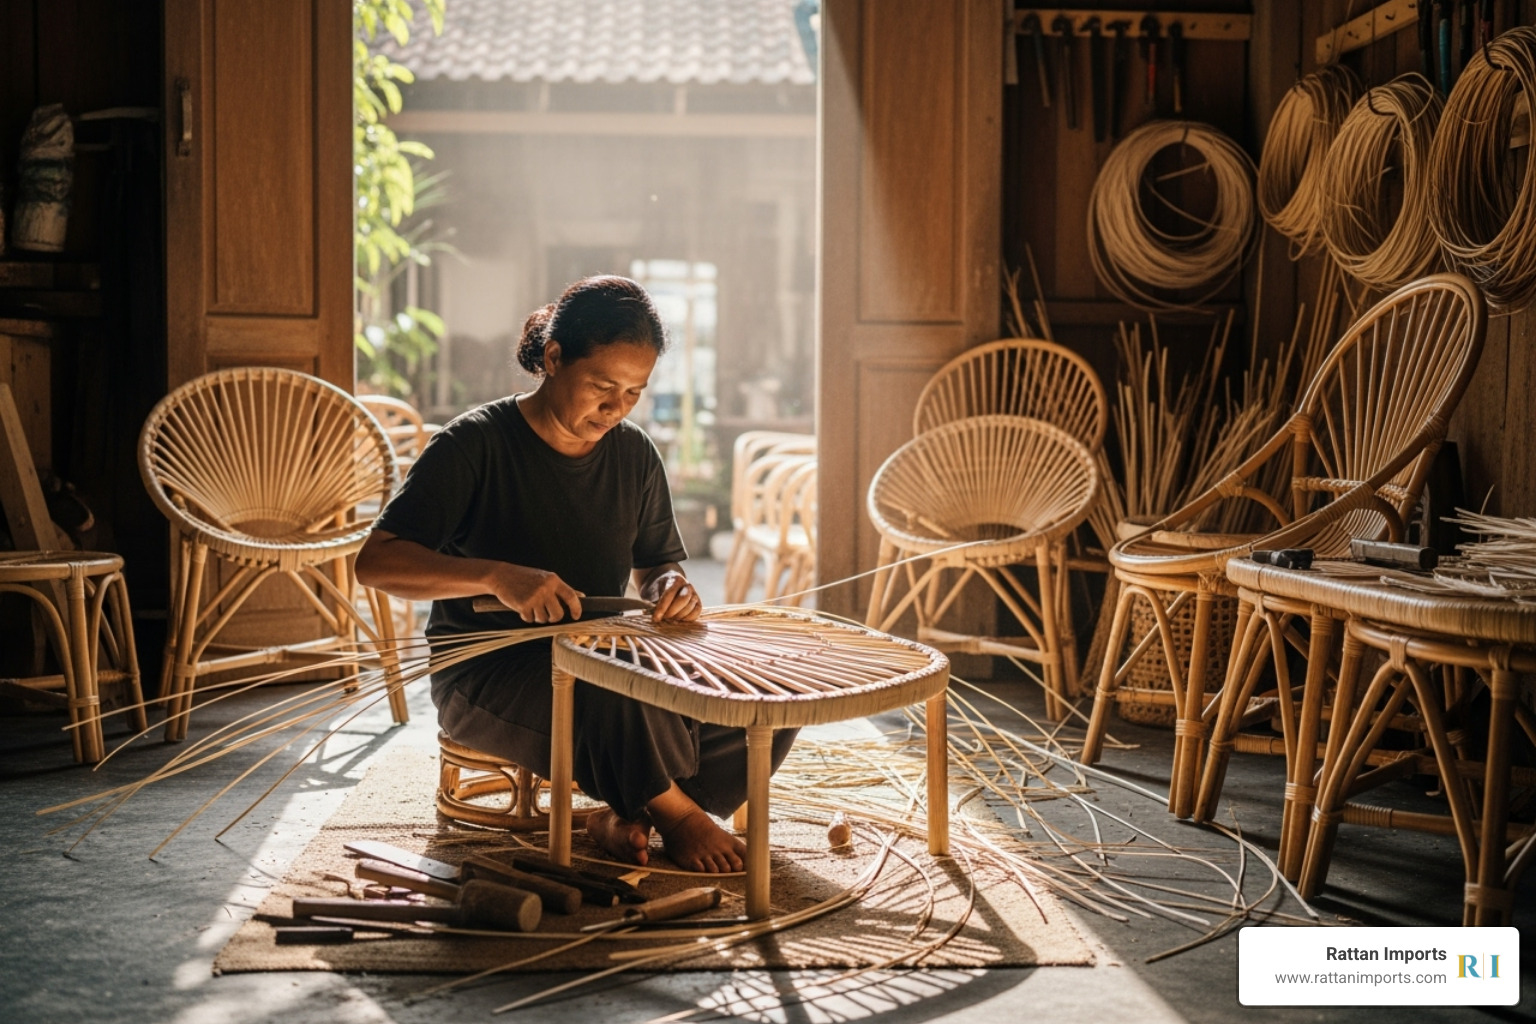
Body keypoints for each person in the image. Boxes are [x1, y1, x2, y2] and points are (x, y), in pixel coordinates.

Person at [355, 275, 796, 873]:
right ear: (554, 359)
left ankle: (625, 813)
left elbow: (656, 563)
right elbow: (377, 562)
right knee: (613, 688)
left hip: (607, 652)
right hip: (490, 670)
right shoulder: (473, 445)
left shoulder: (635, 453)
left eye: (635, 392)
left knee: (769, 688)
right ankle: (678, 815)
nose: (616, 408)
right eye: (602, 387)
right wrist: (495, 577)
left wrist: (667, 587)